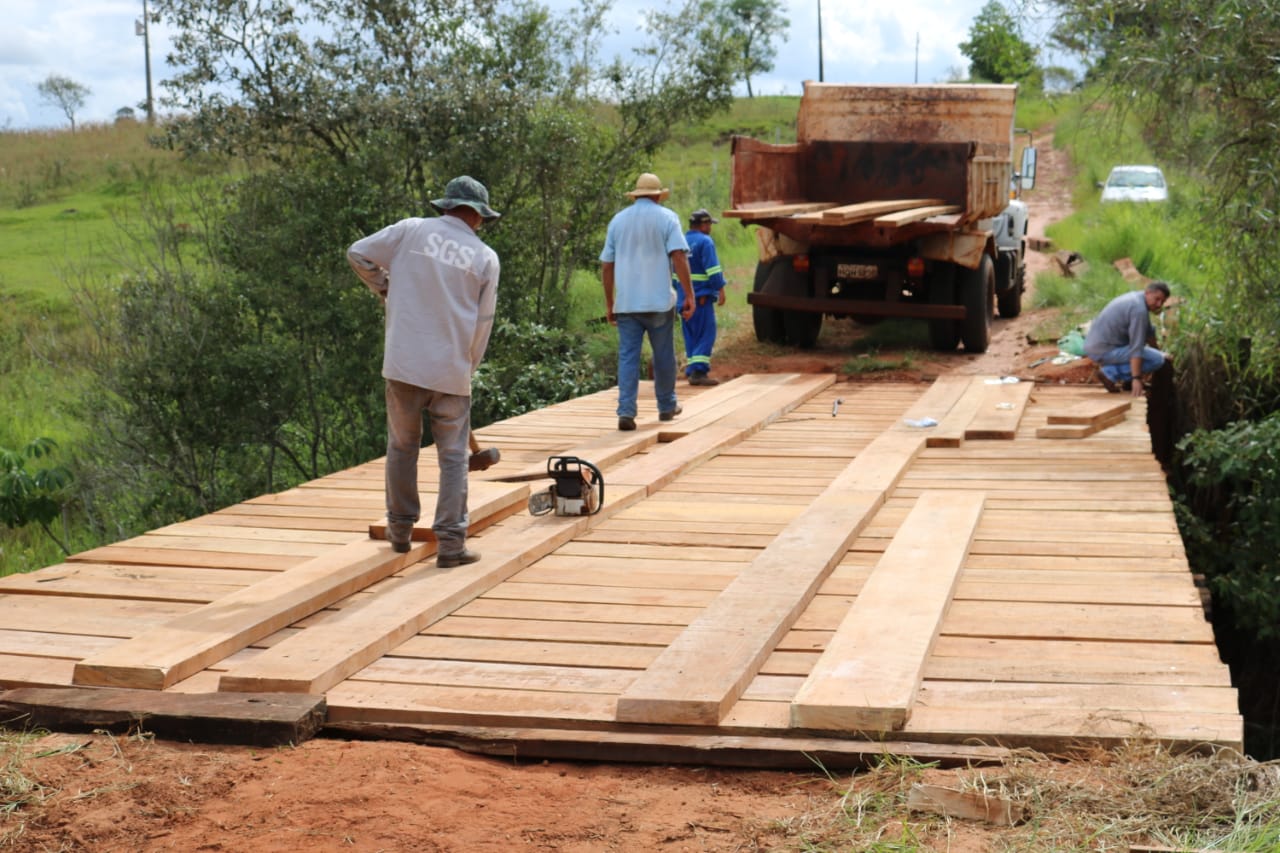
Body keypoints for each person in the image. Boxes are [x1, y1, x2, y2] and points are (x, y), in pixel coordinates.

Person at [346, 176, 500, 567]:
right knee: (452, 458)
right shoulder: (484, 257)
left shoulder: (409, 231)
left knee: (402, 447)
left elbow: (358, 253)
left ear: (445, 206)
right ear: (478, 217)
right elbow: (484, 321)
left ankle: (399, 533)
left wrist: (384, 286)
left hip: (402, 364)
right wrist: (469, 366)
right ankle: (450, 545)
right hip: (451, 368)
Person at [600, 173, 696, 431]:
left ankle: (626, 412)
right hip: (659, 303)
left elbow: (607, 266)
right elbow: (678, 256)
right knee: (663, 354)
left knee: (628, 357)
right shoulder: (667, 218)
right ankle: (666, 407)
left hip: (628, 304)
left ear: (636, 195)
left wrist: (610, 303)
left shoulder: (618, 221)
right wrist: (690, 294)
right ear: (657, 196)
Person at [1084, 280, 1171, 397]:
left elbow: (1149, 332)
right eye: (1157, 299)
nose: (1159, 304)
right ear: (1148, 293)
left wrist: (1158, 351)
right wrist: (1136, 378)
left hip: (1097, 346)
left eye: (1162, 302)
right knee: (1157, 360)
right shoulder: (1139, 311)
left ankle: (1123, 379)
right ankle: (1110, 373)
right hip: (1104, 351)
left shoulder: (1136, 299)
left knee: (1156, 355)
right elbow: (1137, 348)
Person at [675, 208, 728, 386]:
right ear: (703, 225)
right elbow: (713, 270)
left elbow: (675, 274)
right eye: (709, 224)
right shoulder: (705, 242)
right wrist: (720, 289)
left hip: (683, 300)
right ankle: (698, 371)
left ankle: (692, 370)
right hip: (701, 299)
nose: (710, 228)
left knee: (691, 335)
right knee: (706, 334)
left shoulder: (680, 241)